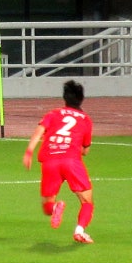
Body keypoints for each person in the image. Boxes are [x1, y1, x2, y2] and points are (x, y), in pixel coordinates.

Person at [23, 80, 95, 244]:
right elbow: (85, 150)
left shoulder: (53, 114)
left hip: (49, 161)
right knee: (87, 201)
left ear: (65, 98)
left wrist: (29, 152)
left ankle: (56, 208)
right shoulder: (85, 119)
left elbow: (38, 132)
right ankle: (80, 231)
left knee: (47, 206)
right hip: (71, 161)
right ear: (81, 99)